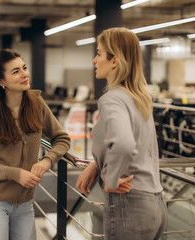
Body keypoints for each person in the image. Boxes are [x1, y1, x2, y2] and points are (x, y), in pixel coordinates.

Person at [0, 49, 70, 240]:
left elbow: (62, 138)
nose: (24, 74)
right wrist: (15, 174)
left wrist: (47, 160)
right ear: (1, 81)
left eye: (24, 68)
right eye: (15, 71)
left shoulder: (37, 104)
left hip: (25, 204)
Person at [75, 28, 167, 240]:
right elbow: (135, 142)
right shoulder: (140, 98)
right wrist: (97, 163)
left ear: (114, 61)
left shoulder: (112, 99)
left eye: (99, 53)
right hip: (156, 204)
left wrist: (112, 179)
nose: (94, 60)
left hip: (130, 204)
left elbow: (124, 144)